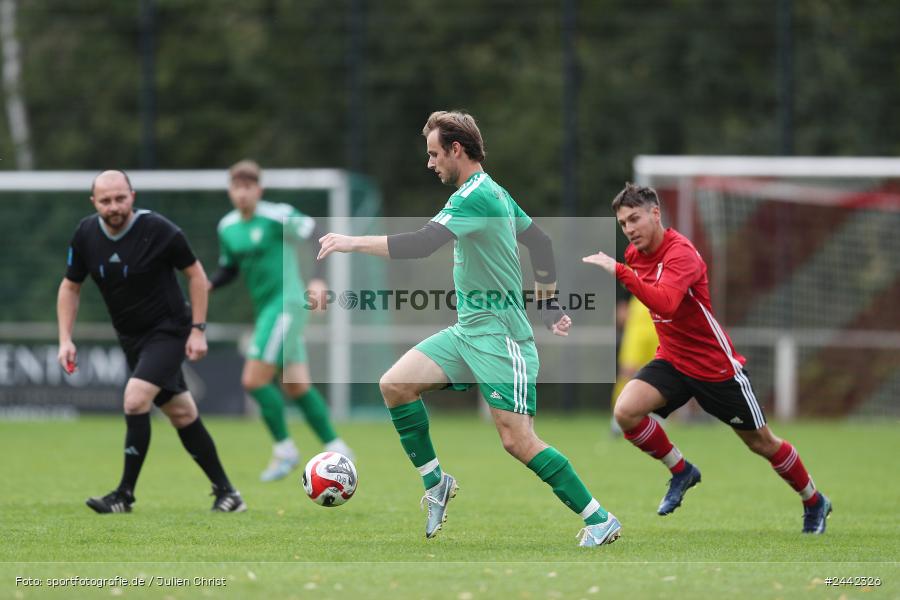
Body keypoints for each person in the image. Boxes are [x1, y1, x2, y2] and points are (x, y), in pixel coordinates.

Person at [317, 110, 620, 547]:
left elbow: (422, 244)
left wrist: (351, 242)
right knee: (396, 385)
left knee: (517, 440)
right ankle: (435, 483)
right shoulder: (491, 190)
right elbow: (540, 242)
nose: (430, 163)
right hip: (469, 330)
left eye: (434, 153)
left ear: (457, 149)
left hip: (501, 337)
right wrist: (549, 303)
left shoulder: (475, 196)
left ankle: (599, 518)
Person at [582, 182, 831, 534]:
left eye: (635, 219)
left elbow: (666, 301)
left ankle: (814, 500)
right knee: (625, 411)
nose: (630, 229)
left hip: (714, 367)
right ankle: (681, 470)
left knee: (761, 442)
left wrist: (619, 273)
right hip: (672, 359)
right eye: (623, 224)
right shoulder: (634, 256)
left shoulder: (682, 253)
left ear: (656, 213)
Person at [57, 170, 245, 514]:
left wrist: (198, 329)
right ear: (93, 202)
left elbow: (197, 277)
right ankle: (228, 494)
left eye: (120, 198)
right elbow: (71, 286)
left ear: (132, 194)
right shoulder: (85, 234)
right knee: (182, 412)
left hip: (170, 329)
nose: (114, 206)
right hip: (131, 337)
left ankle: (124, 496)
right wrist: (65, 338)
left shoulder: (159, 230)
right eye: (105, 200)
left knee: (134, 398)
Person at [209, 160, 353, 482]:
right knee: (296, 384)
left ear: (258, 190)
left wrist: (318, 280)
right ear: (231, 191)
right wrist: (206, 284)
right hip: (268, 310)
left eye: (249, 187)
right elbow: (229, 268)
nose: (242, 193)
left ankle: (285, 449)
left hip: (286, 304)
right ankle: (338, 446)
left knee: (253, 381)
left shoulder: (277, 215)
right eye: (237, 187)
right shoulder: (227, 227)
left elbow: (319, 235)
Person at [610, 294, 658, 436]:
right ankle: (618, 416)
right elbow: (622, 280)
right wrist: (621, 302)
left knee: (659, 371)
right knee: (628, 370)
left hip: (659, 316)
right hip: (637, 318)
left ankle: (656, 417)